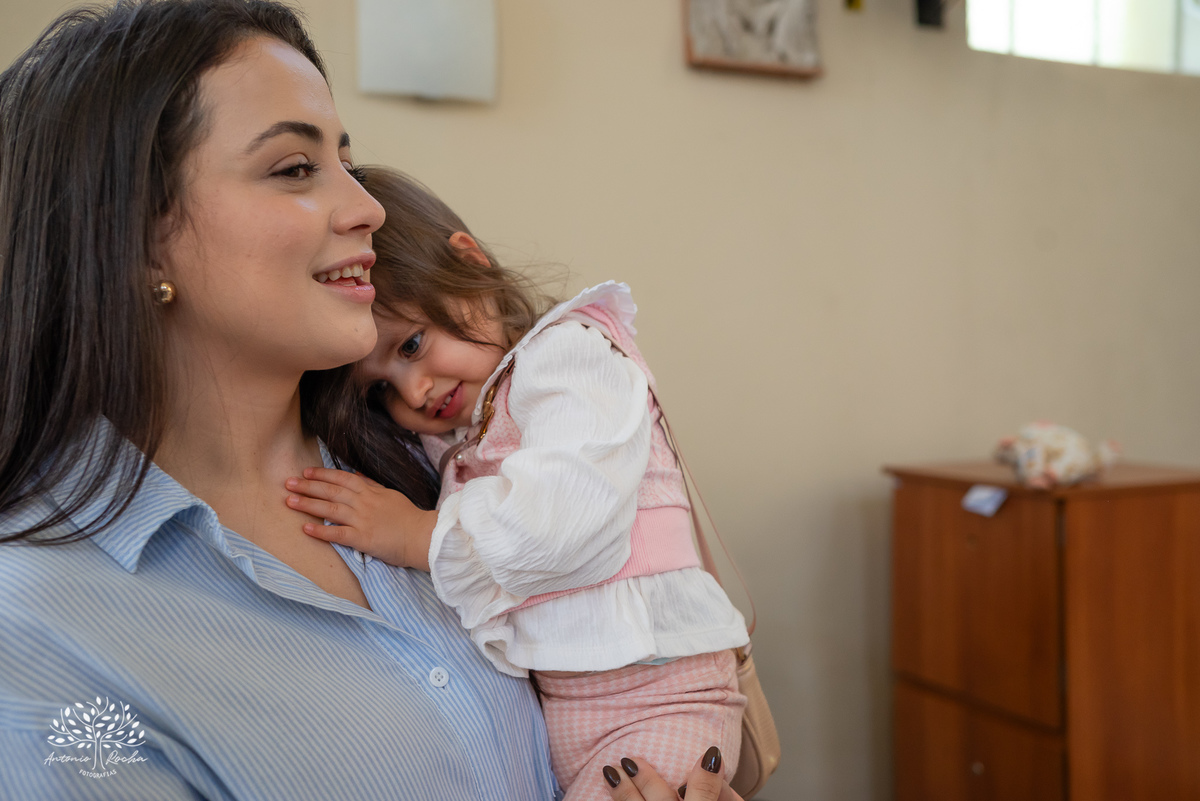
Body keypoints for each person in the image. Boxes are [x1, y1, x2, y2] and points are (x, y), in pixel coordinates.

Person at [0, 2, 742, 799]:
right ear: (135, 234)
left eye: (345, 161)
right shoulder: (43, 625)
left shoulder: (436, 460)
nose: (368, 207)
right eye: (294, 168)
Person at [285, 167, 751, 800]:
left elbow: (560, 523)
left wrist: (414, 533)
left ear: (470, 263)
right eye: (383, 388)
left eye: (415, 343)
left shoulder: (570, 358)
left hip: (657, 694)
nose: (415, 391)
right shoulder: (464, 431)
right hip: (572, 709)